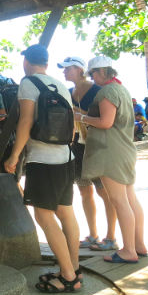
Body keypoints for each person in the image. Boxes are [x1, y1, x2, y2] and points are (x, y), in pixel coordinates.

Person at [4, 44, 81, 293]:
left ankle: (67, 276)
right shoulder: (60, 85)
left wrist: (14, 155)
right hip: (65, 157)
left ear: (26, 61)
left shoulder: (28, 83)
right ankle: (73, 268)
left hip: (42, 160)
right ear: (47, 63)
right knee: (66, 212)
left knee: (44, 216)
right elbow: (71, 126)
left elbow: (26, 120)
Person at [77, 56, 148, 264]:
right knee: (130, 199)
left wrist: (80, 117)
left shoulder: (107, 91)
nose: (92, 78)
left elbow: (105, 122)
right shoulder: (121, 89)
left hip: (111, 153)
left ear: (100, 72)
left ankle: (128, 251)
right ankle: (138, 245)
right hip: (125, 150)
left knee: (119, 201)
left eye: (93, 74)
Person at [57, 55, 118, 252]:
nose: (64, 72)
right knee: (84, 190)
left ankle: (111, 237)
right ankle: (93, 235)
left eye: (68, 68)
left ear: (79, 69)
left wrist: (81, 115)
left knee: (104, 192)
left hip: (98, 146)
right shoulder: (67, 92)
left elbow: (107, 119)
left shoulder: (98, 91)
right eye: (64, 69)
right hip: (78, 145)